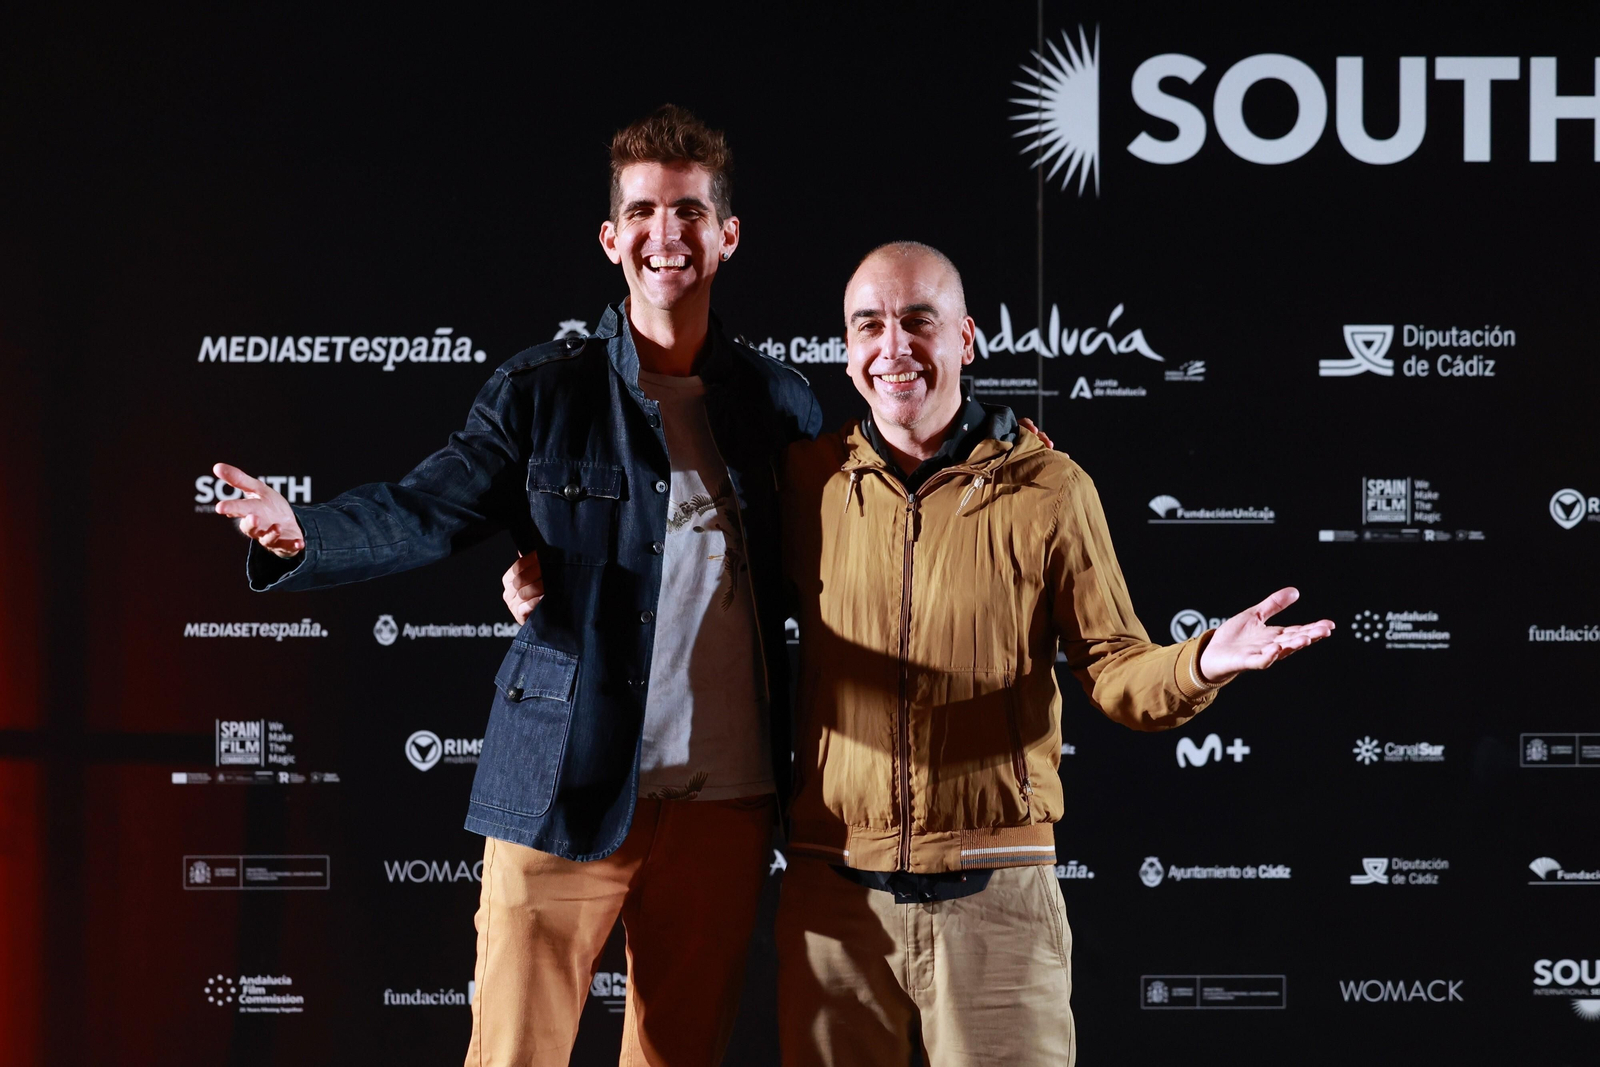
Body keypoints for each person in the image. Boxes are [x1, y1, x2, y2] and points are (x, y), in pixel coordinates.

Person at [212, 105, 820, 1067]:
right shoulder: (544, 391)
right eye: (646, 211)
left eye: (693, 212)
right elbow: (427, 507)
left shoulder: (780, 403)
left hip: (724, 807)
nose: (670, 234)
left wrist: (1001, 438)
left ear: (728, 235)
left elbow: (882, 492)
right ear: (611, 237)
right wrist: (305, 533)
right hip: (561, 788)